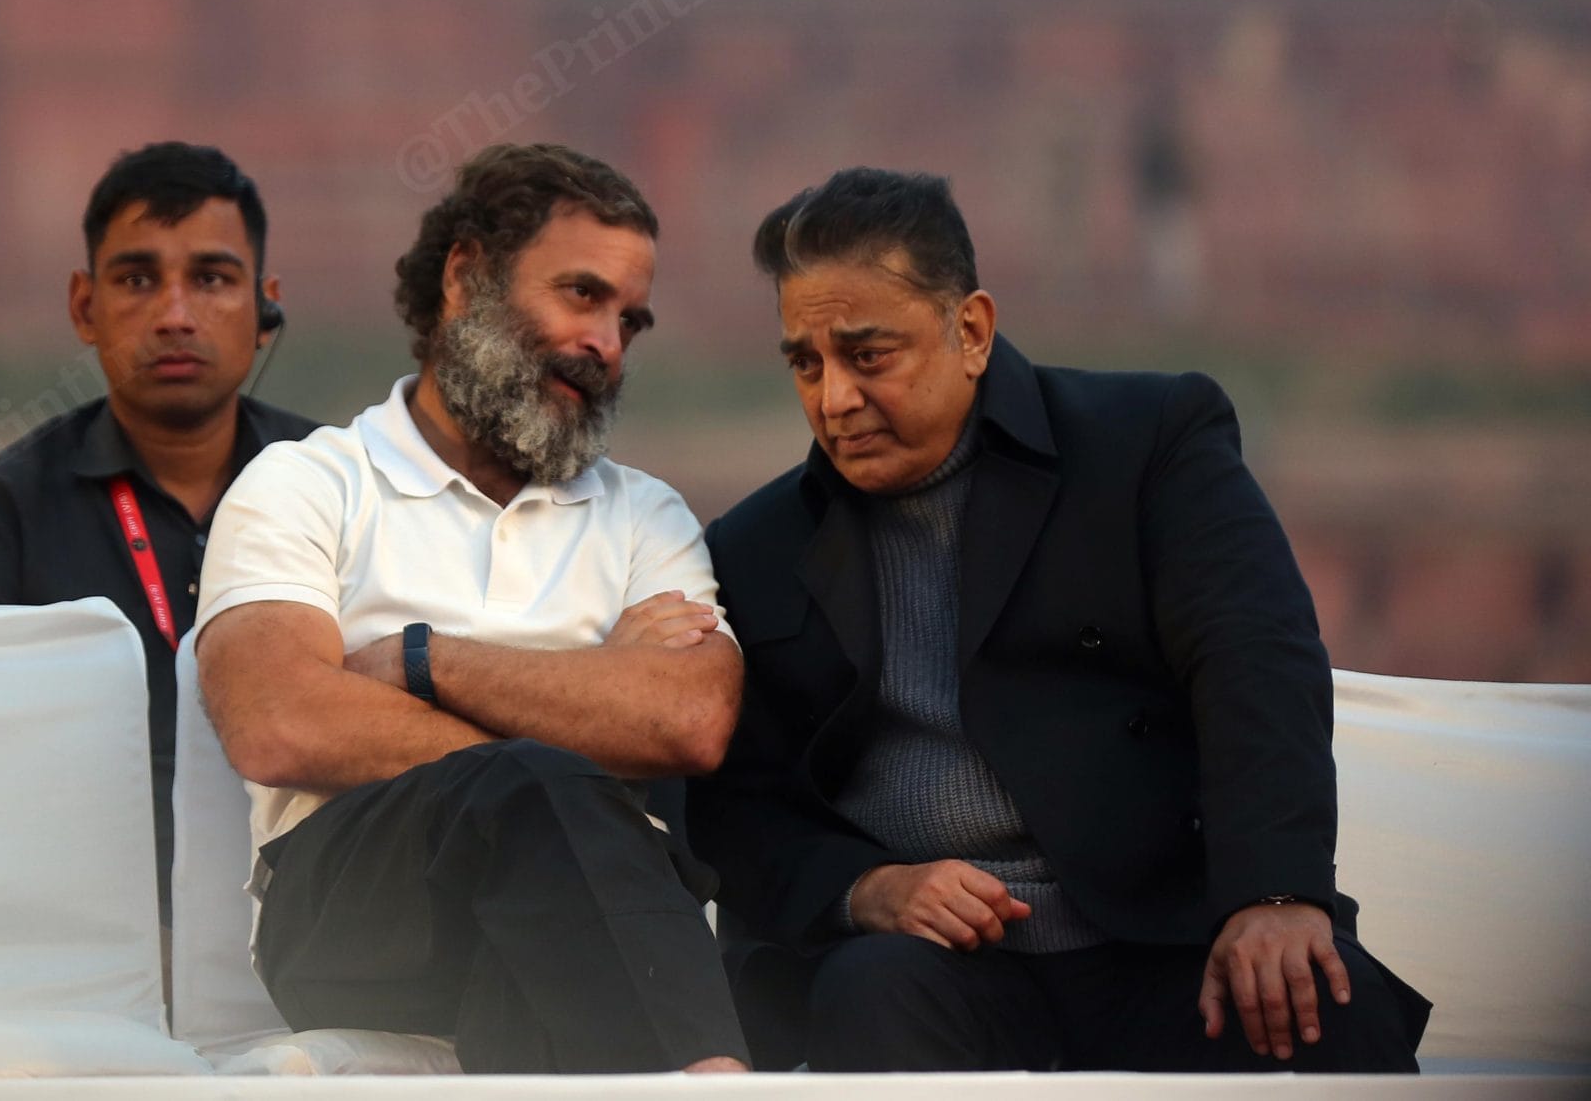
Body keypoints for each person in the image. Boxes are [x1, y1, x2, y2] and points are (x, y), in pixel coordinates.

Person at [689, 167, 1429, 1072]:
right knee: (867, 997)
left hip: (1168, 938)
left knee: (1321, 1006)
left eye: (867, 353)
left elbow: (1255, 659)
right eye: (806, 362)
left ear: (971, 330)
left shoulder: (1147, 441)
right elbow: (737, 803)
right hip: (934, 969)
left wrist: (1273, 895)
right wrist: (868, 890)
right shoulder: (757, 547)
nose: (833, 398)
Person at [193, 142, 751, 1074]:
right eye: (581, 295)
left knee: (539, 951)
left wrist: (424, 659)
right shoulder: (309, 483)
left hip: (580, 913)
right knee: (539, 801)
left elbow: (691, 717)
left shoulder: (642, 512)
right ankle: (711, 1083)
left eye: (630, 320)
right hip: (351, 908)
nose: (606, 346)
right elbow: (276, 718)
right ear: (465, 276)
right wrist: (579, 734)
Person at [0, 141, 317, 913]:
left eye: (212, 279)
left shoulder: (341, 490)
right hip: (67, 930)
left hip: (312, 917)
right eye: (136, 279)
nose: (174, 314)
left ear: (265, 309)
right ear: (83, 307)